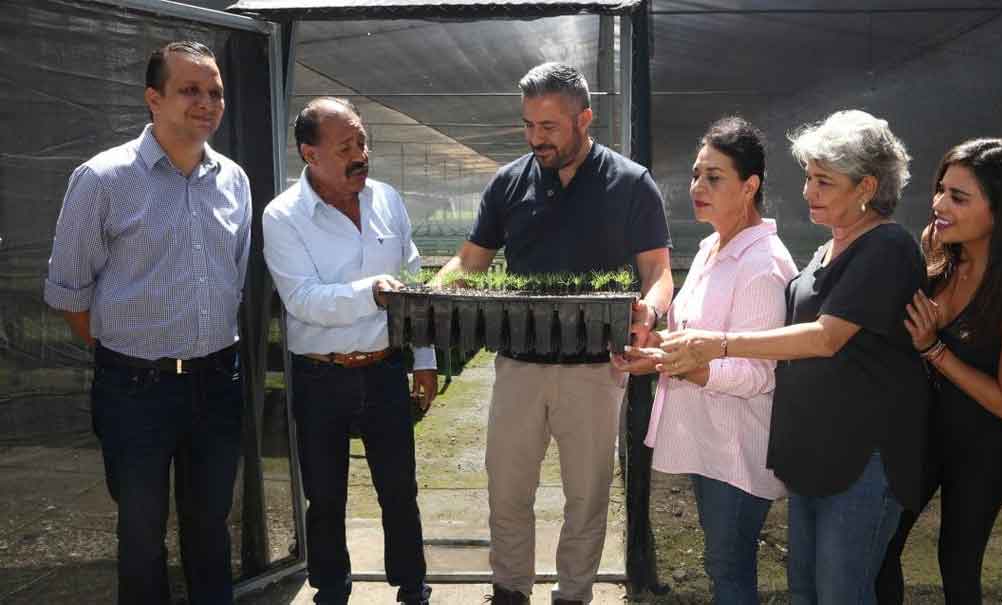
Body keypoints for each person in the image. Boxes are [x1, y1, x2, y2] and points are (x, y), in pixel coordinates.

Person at [649, 110, 929, 605]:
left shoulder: (886, 247)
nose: (808, 191)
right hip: (815, 455)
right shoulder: (825, 253)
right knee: (806, 590)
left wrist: (721, 344)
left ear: (866, 185)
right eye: (808, 177)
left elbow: (826, 337)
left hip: (864, 457)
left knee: (841, 591)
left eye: (824, 181)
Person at [434, 62, 673, 605]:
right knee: (507, 491)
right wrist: (428, 292)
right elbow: (470, 262)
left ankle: (574, 594)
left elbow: (658, 273)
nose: (536, 138)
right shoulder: (508, 182)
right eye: (528, 126)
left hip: (595, 369)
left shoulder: (630, 183)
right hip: (518, 365)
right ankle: (511, 590)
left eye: (549, 127)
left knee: (586, 498)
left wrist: (650, 313)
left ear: (584, 119)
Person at [43, 41, 250, 604]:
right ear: (153, 99)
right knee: (140, 535)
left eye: (215, 93)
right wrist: (130, 352)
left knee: (211, 529)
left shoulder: (233, 180)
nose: (206, 103)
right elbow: (68, 291)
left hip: (217, 383)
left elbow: (232, 276)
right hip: (135, 390)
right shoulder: (102, 179)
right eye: (190, 90)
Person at [261, 97, 438, 605]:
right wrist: (371, 293)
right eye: (346, 147)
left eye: (363, 142)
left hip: (384, 370)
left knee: (400, 489)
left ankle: (412, 586)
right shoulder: (284, 216)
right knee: (326, 496)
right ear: (309, 154)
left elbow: (413, 286)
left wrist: (423, 360)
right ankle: (331, 590)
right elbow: (302, 300)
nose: (361, 154)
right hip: (321, 376)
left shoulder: (387, 199)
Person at [615, 117, 796, 604]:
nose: (698, 186)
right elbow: (689, 341)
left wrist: (679, 365)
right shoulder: (710, 248)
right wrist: (656, 357)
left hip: (738, 448)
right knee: (723, 566)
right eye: (697, 174)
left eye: (714, 177)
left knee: (729, 570)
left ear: (750, 186)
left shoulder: (762, 264)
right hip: (711, 441)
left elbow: (759, 372)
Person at [876, 139, 1002, 604]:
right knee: (880, 551)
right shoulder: (937, 255)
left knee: (957, 569)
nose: (938, 205)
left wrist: (934, 349)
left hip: (980, 450)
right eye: (939, 190)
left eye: (958, 197)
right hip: (921, 436)